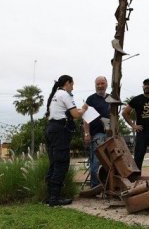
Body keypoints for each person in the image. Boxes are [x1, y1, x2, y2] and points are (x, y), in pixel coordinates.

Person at [45, 74, 85, 207]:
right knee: (61, 163)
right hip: (60, 131)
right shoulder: (65, 95)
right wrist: (85, 109)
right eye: (72, 84)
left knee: (54, 163)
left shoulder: (54, 95)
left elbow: (66, 112)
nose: (73, 87)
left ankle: (50, 196)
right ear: (67, 83)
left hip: (51, 129)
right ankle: (55, 199)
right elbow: (75, 115)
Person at [82, 76, 110, 188]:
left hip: (110, 134)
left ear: (106, 84)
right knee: (97, 161)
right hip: (97, 134)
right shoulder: (91, 99)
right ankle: (95, 186)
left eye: (102, 83)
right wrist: (86, 133)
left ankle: (108, 185)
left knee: (110, 161)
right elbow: (84, 116)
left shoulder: (111, 98)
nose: (100, 86)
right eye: (97, 84)